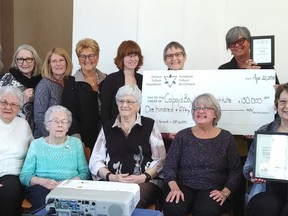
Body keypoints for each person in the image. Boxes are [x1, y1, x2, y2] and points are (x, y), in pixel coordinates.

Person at [218, 26, 278, 216]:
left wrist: (257, 77)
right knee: (235, 176)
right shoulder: (223, 70)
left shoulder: (267, 68)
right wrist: (245, 77)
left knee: (256, 180)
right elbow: (223, 99)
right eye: (231, 43)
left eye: (240, 41)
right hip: (233, 135)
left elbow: (274, 103)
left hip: (259, 135)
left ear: (249, 42)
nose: (236, 46)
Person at [162, 93, 242, 216]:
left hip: (213, 189)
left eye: (206, 107)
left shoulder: (226, 137)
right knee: (173, 207)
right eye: (196, 108)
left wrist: (225, 192)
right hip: (181, 186)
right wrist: (174, 188)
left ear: (215, 113)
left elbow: (235, 170)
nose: (200, 111)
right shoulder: (182, 135)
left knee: (206, 211)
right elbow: (169, 165)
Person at [89, 84, 166, 209]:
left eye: (130, 101)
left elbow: (161, 159)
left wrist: (143, 177)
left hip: (144, 182)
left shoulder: (149, 125)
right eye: (121, 101)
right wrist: (111, 177)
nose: (125, 105)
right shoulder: (107, 128)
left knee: (130, 202)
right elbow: (95, 161)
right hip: (112, 181)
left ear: (138, 105)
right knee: (101, 203)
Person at [20, 105, 90, 211]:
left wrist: (68, 183)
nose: (60, 125)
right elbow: (25, 176)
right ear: (47, 125)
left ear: (68, 127)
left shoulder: (76, 143)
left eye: (64, 121)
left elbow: (85, 173)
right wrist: (42, 181)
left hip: (70, 186)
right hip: (41, 187)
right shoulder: (36, 144)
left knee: (74, 202)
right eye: (56, 121)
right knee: (44, 201)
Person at [243, 83, 288, 216]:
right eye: (283, 102)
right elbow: (248, 165)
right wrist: (252, 174)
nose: (286, 107)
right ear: (276, 105)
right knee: (265, 207)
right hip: (268, 187)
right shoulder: (265, 131)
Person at [62, 38, 106, 151]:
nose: (87, 60)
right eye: (82, 56)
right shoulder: (71, 83)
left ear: (97, 57)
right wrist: (76, 140)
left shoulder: (107, 80)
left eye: (91, 55)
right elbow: (68, 114)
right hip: (83, 141)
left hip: (106, 138)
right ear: (78, 58)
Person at [0, 86, 33, 216]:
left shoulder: (23, 124)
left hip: (17, 176)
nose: (8, 107)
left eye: (13, 104)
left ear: (19, 108)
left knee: (12, 188)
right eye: (4, 102)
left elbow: (33, 148)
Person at [0, 44, 42, 130]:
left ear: (35, 60)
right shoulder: (8, 78)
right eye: (20, 59)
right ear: (16, 60)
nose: (24, 63)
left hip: (37, 131)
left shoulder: (42, 80)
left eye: (29, 59)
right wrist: (22, 99)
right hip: (12, 129)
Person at [101, 40, 144, 124]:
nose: (132, 59)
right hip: (116, 128)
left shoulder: (142, 79)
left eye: (135, 55)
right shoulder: (111, 80)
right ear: (121, 58)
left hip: (139, 129)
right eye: (129, 55)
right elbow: (105, 111)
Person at [34, 47, 73, 138]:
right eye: (54, 61)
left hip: (67, 137)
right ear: (49, 65)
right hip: (48, 138)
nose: (58, 64)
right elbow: (39, 118)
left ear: (67, 62)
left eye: (61, 60)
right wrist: (53, 138)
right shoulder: (44, 85)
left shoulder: (71, 82)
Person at [162, 41, 187, 152]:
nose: (174, 58)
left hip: (190, 138)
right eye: (169, 56)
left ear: (184, 57)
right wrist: (166, 134)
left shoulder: (196, 81)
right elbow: (153, 112)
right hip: (165, 143)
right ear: (165, 60)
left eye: (178, 54)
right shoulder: (156, 84)